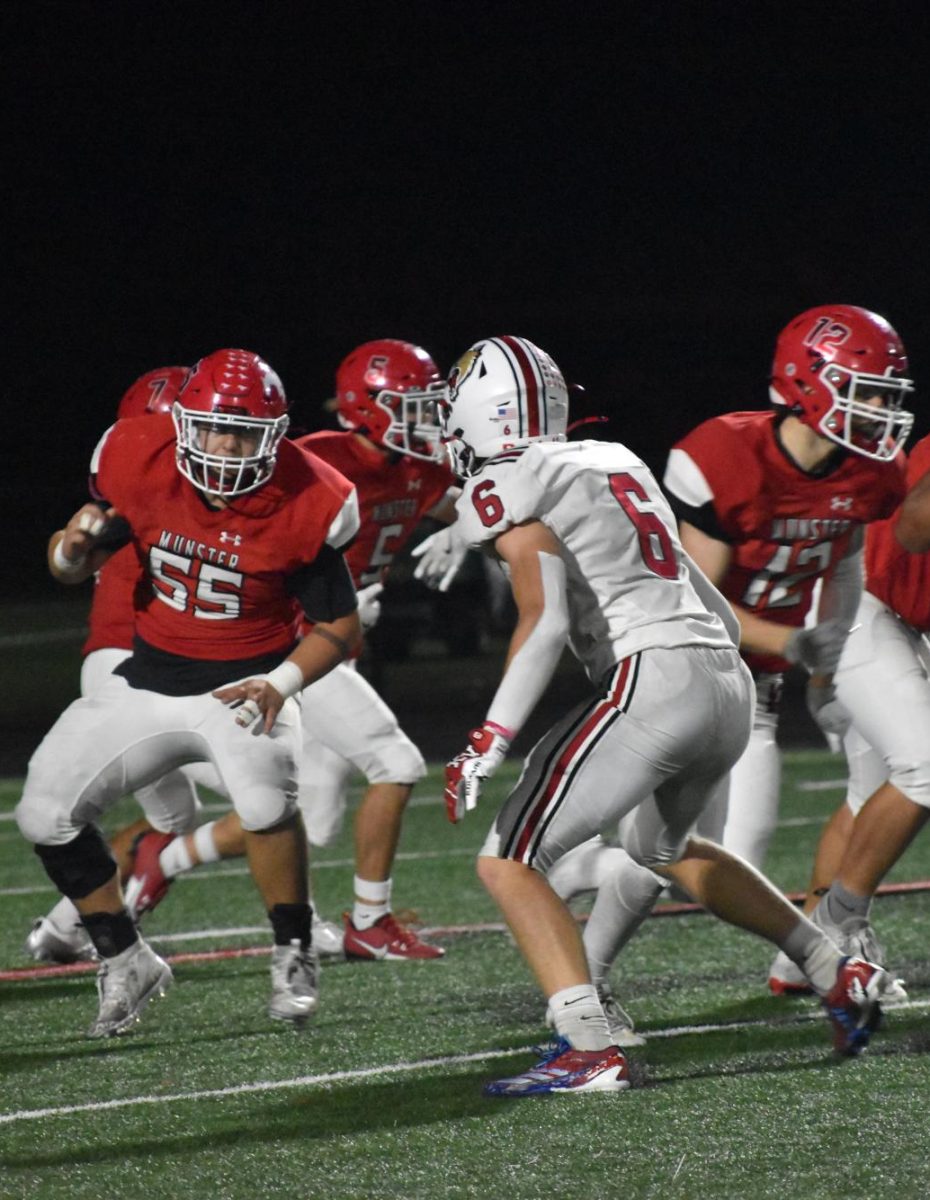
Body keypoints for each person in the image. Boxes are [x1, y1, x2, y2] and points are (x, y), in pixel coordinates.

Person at [437, 333, 886, 1097]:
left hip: (652, 678)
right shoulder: (613, 459)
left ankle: (587, 1047)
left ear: (481, 416)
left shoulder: (510, 481)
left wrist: (489, 736)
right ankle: (832, 970)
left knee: (508, 860)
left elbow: (543, 621)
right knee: (664, 848)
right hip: (723, 678)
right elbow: (703, 595)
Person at [546, 304, 913, 1027]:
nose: (878, 409)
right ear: (807, 383)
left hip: (758, 689)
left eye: (882, 393)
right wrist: (794, 642)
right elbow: (697, 606)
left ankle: (588, 952)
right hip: (682, 671)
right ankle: (584, 976)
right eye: (864, 389)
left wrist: (832, 632)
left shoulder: (872, 472)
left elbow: (841, 553)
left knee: (706, 854)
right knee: (678, 853)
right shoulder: (721, 456)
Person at [15, 348, 362, 1037]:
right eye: (213, 428)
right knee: (43, 814)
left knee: (266, 799)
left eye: (245, 432)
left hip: (246, 683)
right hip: (146, 676)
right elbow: (70, 556)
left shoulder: (311, 496)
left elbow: (339, 625)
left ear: (277, 433)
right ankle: (125, 959)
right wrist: (70, 551)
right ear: (181, 423)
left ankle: (293, 950)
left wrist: (281, 682)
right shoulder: (138, 456)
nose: (227, 447)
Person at [116, 339, 455, 960]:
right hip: (296, 642)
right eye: (412, 408)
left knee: (306, 819)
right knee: (396, 764)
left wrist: (470, 532)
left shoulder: (422, 468)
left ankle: (168, 856)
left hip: (339, 647)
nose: (426, 422)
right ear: (367, 407)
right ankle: (370, 922)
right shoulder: (315, 462)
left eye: (428, 408)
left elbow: (468, 507)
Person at [768, 429, 930, 993]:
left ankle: (802, 958)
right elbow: (913, 529)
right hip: (863, 603)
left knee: (873, 789)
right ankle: (840, 919)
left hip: (903, 618)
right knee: (924, 767)